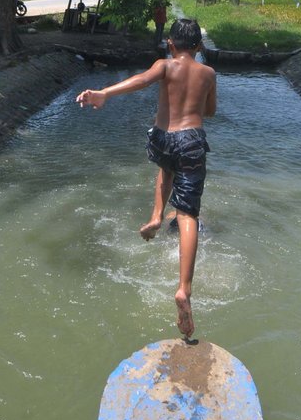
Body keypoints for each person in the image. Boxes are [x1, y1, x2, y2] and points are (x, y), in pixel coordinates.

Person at [76, 18, 216, 339]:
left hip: (162, 137)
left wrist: (104, 93)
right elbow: (210, 111)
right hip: (191, 138)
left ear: (170, 43)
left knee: (165, 169)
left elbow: (140, 80)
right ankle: (184, 289)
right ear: (197, 46)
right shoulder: (208, 73)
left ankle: (155, 216)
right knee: (187, 214)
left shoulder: (164, 66)